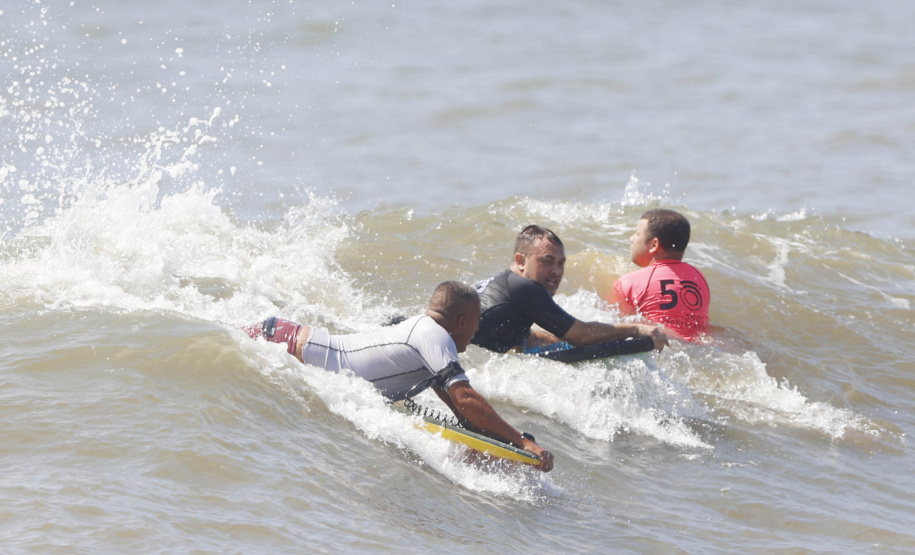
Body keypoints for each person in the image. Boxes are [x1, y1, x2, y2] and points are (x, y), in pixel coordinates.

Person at [243, 281, 554, 472]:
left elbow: (459, 408)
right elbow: (466, 397)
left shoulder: (424, 331)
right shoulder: (435, 337)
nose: (475, 332)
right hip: (286, 347)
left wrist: (501, 445)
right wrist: (522, 442)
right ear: (461, 320)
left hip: (285, 337)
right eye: (475, 323)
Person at [471, 225, 668, 354]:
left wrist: (561, 343)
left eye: (561, 264)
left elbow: (522, 335)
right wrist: (637, 328)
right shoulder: (527, 288)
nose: (556, 272)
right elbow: (582, 335)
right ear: (521, 261)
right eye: (547, 262)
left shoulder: (507, 285)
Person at [608, 209, 710, 342]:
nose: (631, 238)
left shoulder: (628, 282)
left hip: (658, 349)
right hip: (700, 349)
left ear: (654, 244)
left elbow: (615, 326)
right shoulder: (699, 279)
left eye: (637, 234)